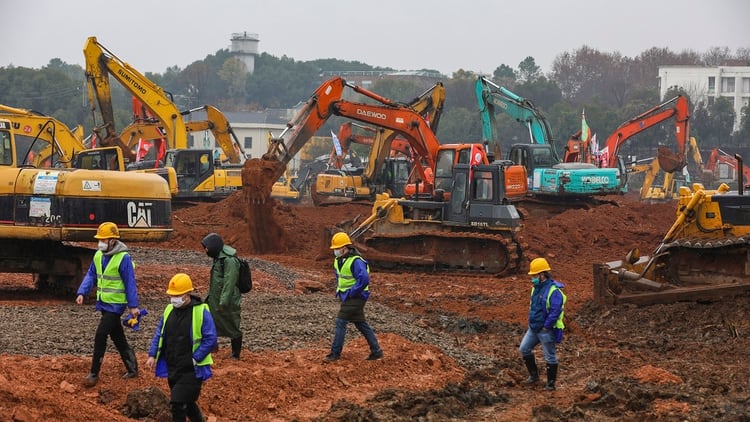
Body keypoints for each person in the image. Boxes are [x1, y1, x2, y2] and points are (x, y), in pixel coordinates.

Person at [75, 222, 140, 387]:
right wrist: (82, 292)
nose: (100, 242)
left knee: (101, 334)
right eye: (99, 239)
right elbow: (91, 275)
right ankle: (132, 368)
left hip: (116, 306)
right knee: (118, 336)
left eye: (103, 240)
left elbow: (130, 283)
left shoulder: (123, 258)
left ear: (112, 240)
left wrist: (133, 306)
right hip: (104, 303)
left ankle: (94, 373)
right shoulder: (98, 255)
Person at [146, 273, 217, 422]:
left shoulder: (201, 311)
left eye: (177, 295)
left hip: (191, 369)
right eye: (172, 295)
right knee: (188, 403)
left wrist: (195, 358)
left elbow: (210, 338)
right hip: (173, 366)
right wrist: (152, 354)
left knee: (177, 404)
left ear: (187, 294)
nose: (174, 299)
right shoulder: (168, 310)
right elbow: (160, 333)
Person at [325, 232, 383, 362]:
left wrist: (351, 293)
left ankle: (335, 353)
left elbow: (363, 279)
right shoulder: (338, 260)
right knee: (360, 323)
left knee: (340, 322)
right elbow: (339, 276)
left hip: (356, 296)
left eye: (337, 248)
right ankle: (376, 351)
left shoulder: (356, 261)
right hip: (347, 296)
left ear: (345, 247)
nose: (335, 251)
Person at [520, 257, 566, 391]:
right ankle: (534, 376)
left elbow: (555, 310)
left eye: (534, 275)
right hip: (534, 327)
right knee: (524, 348)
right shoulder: (535, 288)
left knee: (550, 357)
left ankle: (551, 384)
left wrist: (546, 326)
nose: (532, 278)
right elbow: (533, 306)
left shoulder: (554, 291)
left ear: (542, 275)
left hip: (545, 329)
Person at [200, 233, 243, 359]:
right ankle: (212, 346)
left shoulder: (229, 260)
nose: (206, 250)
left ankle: (236, 354)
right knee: (209, 322)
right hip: (215, 299)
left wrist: (224, 302)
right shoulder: (219, 257)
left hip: (227, 301)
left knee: (232, 325)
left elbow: (229, 283)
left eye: (207, 248)